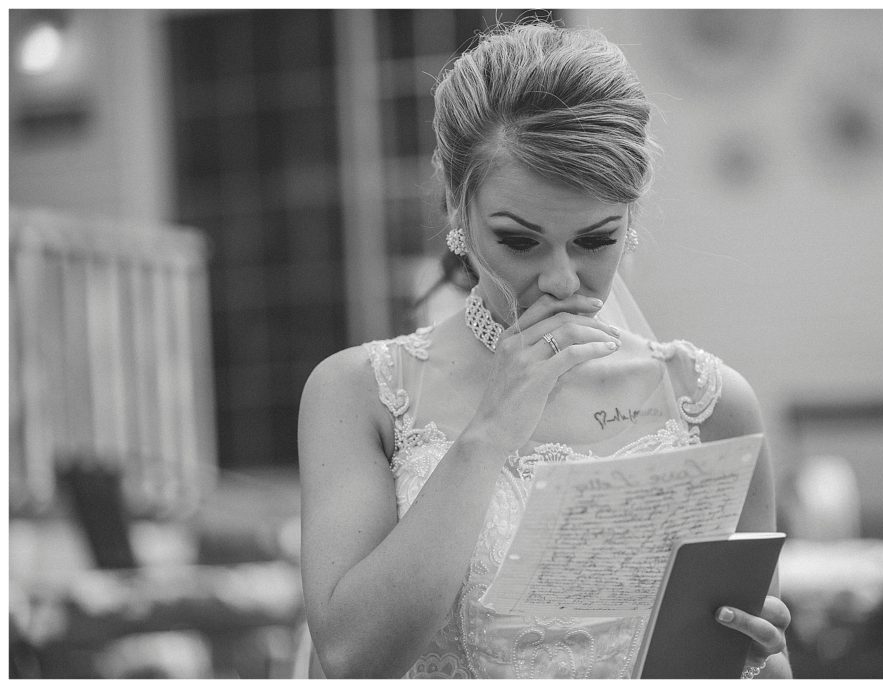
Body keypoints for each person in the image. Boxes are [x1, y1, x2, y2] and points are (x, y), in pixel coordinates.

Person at [298, 20, 793, 679]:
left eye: (594, 241)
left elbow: (732, 657)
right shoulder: (359, 394)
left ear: (632, 220)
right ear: (455, 204)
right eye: (520, 241)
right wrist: (488, 433)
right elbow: (352, 658)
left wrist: (766, 666)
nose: (562, 280)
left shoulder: (713, 405)